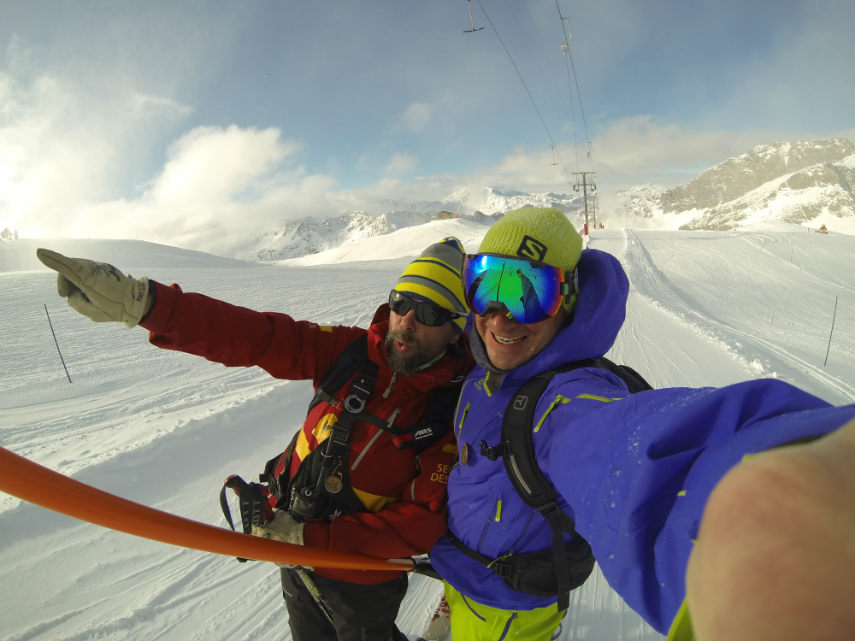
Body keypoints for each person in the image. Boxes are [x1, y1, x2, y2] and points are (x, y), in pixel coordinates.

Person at [427, 207, 855, 641]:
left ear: (568, 301)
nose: (500, 317)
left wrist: (768, 512)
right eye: (485, 286)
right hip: (461, 568)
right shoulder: (482, 370)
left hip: (507, 606)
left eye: (527, 295)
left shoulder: (567, 401)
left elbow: (627, 454)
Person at [36, 237, 473, 641]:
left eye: (430, 312)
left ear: (456, 329)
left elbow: (424, 521)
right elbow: (257, 336)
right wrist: (147, 305)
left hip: (358, 574)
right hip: (290, 544)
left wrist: (311, 540)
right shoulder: (350, 353)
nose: (406, 322)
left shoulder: (453, 407)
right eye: (401, 302)